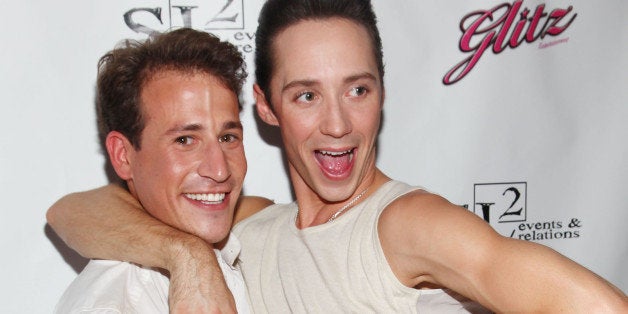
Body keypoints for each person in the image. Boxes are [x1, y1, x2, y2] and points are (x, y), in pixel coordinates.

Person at [48, 0, 628, 313]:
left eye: (358, 89)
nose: (337, 124)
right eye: (306, 95)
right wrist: (186, 259)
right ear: (267, 107)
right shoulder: (248, 227)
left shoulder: (408, 225)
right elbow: (74, 210)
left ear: (382, 91)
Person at [52, 28, 269, 313]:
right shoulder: (115, 304)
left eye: (227, 137)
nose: (219, 170)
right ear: (123, 156)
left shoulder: (251, 242)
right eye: (185, 140)